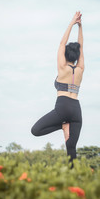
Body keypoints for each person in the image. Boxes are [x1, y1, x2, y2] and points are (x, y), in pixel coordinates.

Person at [31, 11, 84, 169]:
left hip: (62, 107)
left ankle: (61, 125)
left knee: (36, 130)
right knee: (71, 149)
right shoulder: (80, 69)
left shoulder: (62, 68)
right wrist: (80, 27)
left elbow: (62, 44)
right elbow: (82, 47)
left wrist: (72, 23)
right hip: (76, 110)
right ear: (76, 55)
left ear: (66, 54)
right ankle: (73, 179)